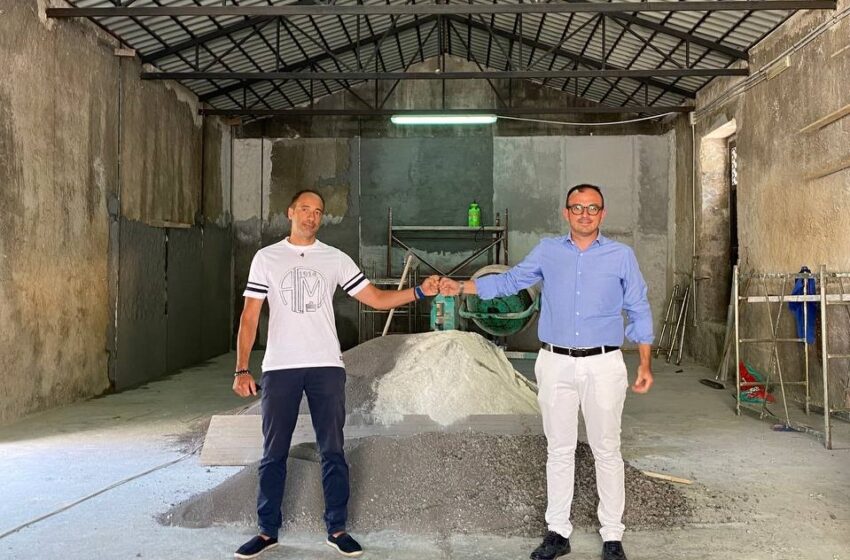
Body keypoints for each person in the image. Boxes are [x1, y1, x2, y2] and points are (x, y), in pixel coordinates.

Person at [439, 184, 654, 560]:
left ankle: (612, 535)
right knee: (559, 449)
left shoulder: (621, 256)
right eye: (577, 207)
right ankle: (558, 532)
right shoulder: (548, 251)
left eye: (592, 208)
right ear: (566, 212)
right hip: (556, 362)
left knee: (607, 448)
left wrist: (646, 364)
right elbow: (510, 281)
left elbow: (638, 306)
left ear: (602, 214)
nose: (585, 214)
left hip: (604, 363)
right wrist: (460, 287)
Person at [232, 189, 439, 559]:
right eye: (305, 209)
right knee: (273, 451)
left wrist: (419, 293)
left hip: (326, 365)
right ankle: (267, 531)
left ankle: (337, 528)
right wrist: (241, 368)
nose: (311, 216)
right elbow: (250, 316)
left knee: (332, 449)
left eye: (318, 211)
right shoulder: (266, 258)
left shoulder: (334, 258)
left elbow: (376, 298)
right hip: (280, 366)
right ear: (290, 212)